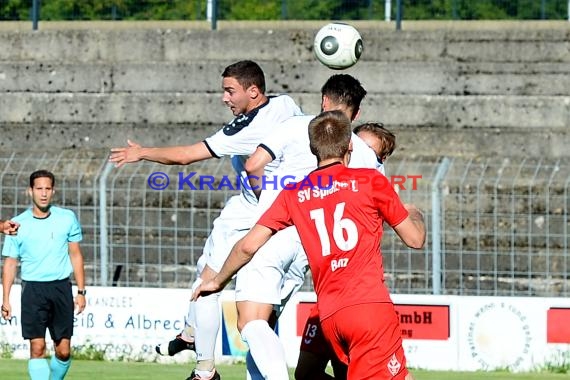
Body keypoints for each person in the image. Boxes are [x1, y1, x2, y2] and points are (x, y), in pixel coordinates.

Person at [193, 110, 426, 379]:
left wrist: (218, 281)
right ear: (350, 145)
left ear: (313, 148)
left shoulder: (294, 194)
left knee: (308, 375)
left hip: (328, 315)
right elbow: (415, 239)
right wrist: (415, 213)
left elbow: (247, 246)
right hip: (368, 307)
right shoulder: (371, 181)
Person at [109, 60, 302, 380]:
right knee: (244, 305)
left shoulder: (247, 130)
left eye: (230, 91)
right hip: (278, 211)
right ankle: (191, 335)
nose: (224, 98)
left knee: (213, 290)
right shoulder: (285, 104)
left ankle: (205, 369)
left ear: (253, 92)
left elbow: (186, 156)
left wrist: (142, 153)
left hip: (258, 210)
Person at [234, 74, 376, 379]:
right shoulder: (363, 152)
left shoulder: (297, 125)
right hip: (315, 244)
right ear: (357, 113)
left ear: (323, 100)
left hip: (276, 231)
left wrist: (265, 199)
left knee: (251, 322)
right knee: (267, 326)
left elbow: (253, 164)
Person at [295, 122, 398, 380]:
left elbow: (413, 236)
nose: (360, 153)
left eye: (369, 151)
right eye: (357, 144)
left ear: (380, 160)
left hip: (361, 299)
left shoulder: (373, 184)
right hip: (327, 303)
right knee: (306, 373)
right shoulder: (316, 184)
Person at [1, 169, 87, 380]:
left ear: (53, 191)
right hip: (33, 290)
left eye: (47, 188)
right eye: (39, 188)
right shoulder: (16, 224)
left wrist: (81, 291)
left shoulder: (67, 218)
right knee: (37, 348)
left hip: (61, 288)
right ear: (30, 191)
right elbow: (10, 264)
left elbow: (76, 255)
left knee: (64, 351)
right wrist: (6, 299)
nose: (43, 193)